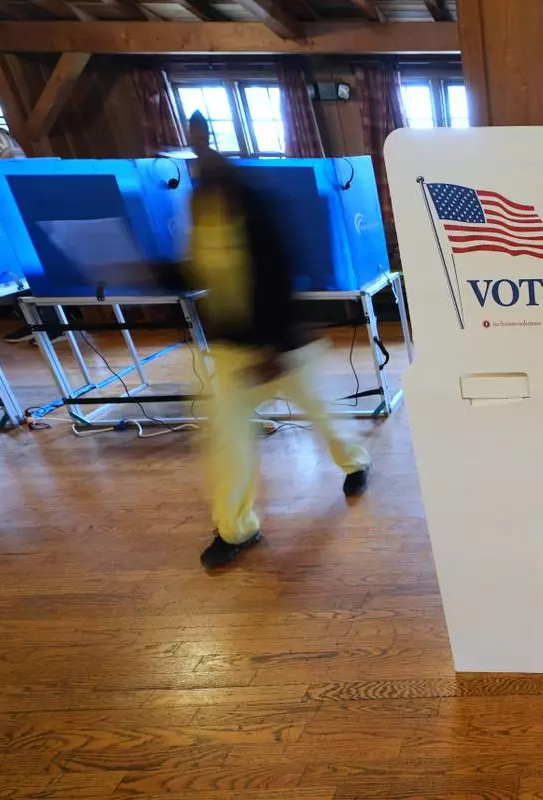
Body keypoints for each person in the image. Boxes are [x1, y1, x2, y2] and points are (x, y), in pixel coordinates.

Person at [166, 111, 371, 570]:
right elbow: (197, 271)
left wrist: (273, 350)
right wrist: (151, 272)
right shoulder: (201, 205)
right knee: (227, 445)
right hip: (231, 350)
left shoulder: (255, 203)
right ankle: (236, 529)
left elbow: (279, 277)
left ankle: (356, 462)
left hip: (283, 347)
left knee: (324, 416)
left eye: (200, 143)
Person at [0, 99, 59, 343]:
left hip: (18, 212)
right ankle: (34, 323)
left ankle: (53, 326)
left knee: (29, 269)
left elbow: (16, 178)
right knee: (12, 272)